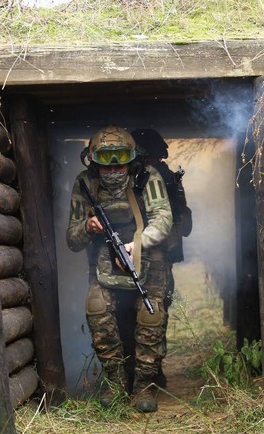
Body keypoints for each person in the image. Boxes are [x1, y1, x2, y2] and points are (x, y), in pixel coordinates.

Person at [66, 125, 173, 412]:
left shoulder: (147, 177)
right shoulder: (86, 184)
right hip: (104, 261)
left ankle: (143, 387)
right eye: (106, 161)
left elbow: (163, 219)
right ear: (93, 160)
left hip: (148, 260)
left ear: (132, 157)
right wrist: (88, 227)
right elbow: (72, 240)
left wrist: (137, 244)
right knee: (98, 311)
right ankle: (114, 383)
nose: (113, 169)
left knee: (151, 319)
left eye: (120, 159)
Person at [128, 129, 193, 388]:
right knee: (155, 314)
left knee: (151, 314)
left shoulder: (160, 177)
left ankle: (147, 372)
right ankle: (151, 371)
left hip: (155, 255)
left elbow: (180, 222)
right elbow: (185, 223)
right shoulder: (159, 177)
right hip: (153, 255)